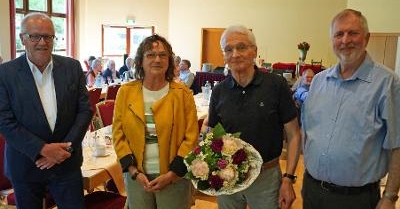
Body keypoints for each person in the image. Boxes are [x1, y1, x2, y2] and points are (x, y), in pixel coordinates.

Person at [301, 9, 400, 209]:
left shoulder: (387, 84)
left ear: (367, 38)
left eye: (353, 33)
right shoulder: (319, 82)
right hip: (312, 191)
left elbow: (397, 145)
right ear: (332, 40)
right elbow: (308, 132)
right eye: (339, 34)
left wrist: (390, 196)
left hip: (355, 199)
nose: (345, 40)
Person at [0, 12, 92, 209]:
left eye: (48, 36)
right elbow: (4, 121)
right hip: (26, 164)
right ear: (22, 38)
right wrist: (42, 150)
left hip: (66, 163)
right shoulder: (5, 74)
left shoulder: (72, 67)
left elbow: (84, 111)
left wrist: (65, 149)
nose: (42, 42)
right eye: (35, 36)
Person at [207, 25, 301, 209]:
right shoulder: (219, 91)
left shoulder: (276, 85)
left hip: (265, 177)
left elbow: (294, 134)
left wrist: (288, 178)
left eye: (241, 47)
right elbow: (213, 134)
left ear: (254, 51)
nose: (235, 54)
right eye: (228, 49)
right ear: (224, 55)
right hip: (228, 176)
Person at [112, 34, 199, 209]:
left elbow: (191, 137)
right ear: (140, 61)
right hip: (137, 176)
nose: (157, 59)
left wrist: (172, 174)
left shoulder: (182, 94)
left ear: (169, 61)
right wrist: (133, 171)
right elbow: (118, 134)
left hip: (174, 177)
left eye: (163, 55)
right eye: (150, 55)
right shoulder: (125, 92)